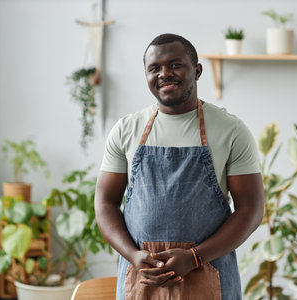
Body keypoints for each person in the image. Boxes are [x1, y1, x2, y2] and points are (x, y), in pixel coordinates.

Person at [94, 33, 264, 300]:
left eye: (175, 65)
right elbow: (104, 202)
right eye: (154, 68)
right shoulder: (126, 130)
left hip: (209, 274)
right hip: (143, 278)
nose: (164, 73)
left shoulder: (231, 130)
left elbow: (251, 210)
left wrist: (195, 257)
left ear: (197, 71)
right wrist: (133, 255)